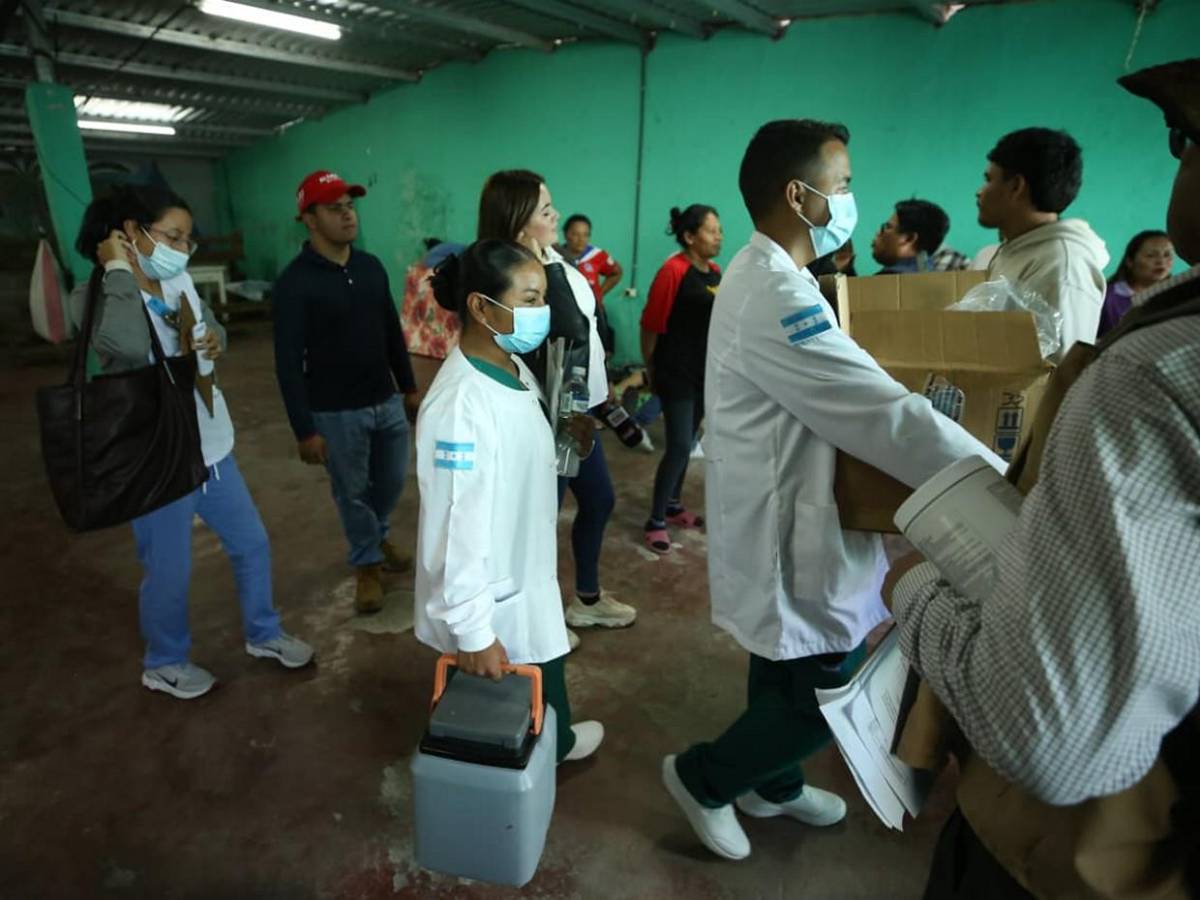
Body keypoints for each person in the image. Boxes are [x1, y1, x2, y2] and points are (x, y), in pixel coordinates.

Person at [884, 57, 1200, 899]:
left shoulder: (1150, 366)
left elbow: (1052, 732)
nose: (979, 191)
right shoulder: (1011, 255)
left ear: (1020, 185)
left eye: (1187, 141)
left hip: (1084, 850)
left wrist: (916, 595)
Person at [660, 119, 1003, 862]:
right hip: (791, 525)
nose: (850, 199)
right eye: (842, 186)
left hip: (795, 508)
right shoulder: (777, 293)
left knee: (784, 661)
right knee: (824, 690)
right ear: (800, 195)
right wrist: (998, 479)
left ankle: (771, 784)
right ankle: (704, 778)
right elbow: (880, 412)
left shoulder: (774, 280)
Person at [69, 185, 313, 700]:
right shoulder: (95, 294)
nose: (182, 248)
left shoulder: (176, 277)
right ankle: (164, 661)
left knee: (251, 543)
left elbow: (213, 327)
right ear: (130, 233)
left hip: (211, 442)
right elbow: (129, 348)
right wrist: (116, 268)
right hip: (156, 456)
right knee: (170, 568)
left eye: (187, 239)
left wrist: (213, 339)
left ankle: (264, 633)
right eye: (172, 236)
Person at [414, 239, 604, 763]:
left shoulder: (512, 366)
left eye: (542, 298)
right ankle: (539, 758)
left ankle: (556, 741)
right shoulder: (459, 405)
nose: (542, 313)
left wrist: (564, 436)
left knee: (545, 666)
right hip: (491, 593)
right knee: (512, 694)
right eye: (528, 299)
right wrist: (473, 632)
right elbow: (455, 525)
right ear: (480, 305)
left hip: (522, 570)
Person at [477, 170, 637, 633]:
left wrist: (601, 400)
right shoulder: (512, 279)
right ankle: (533, 617)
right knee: (538, 521)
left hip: (577, 411)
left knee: (599, 499)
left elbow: (581, 332)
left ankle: (585, 599)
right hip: (550, 418)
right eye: (547, 211)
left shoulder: (556, 261)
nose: (558, 216)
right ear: (519, 222)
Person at [273, 171, 419, 615]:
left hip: (385, 399)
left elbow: (392, 332)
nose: (347, 215)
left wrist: (409, 387)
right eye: (334, 208)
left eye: (350, 206)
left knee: (392, 480)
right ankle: (367, 564)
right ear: (309, 219)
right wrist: (304, 429)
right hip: (335, 411)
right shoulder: (294, 283)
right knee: (351, 490)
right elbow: (287, 361)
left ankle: (376, 535)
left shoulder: (370, 266)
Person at [977, 128, 1109, 359]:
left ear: (1016, 186)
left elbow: (1059, 373)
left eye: (989, 180)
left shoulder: (1064, 267)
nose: (979, 192)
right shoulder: (1019, 248)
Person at [639, 205, 722, 554]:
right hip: (676, 372)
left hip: (705, 371)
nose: (719, 236)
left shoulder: (715, 272)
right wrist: (651, 367)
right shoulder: (673, 271)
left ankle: (673, 504)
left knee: (688, 441)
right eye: (711, 230)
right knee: (676, 446)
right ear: (689, 237)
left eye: (720, 230)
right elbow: (651, 324)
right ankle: (655, 520)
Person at [1096, 229, 1175, 337]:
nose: (1161, 261)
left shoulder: (1175, 295)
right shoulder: (1108, 297)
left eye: (1167, 255)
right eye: (1151, 255)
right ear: (1130, 261)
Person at [870, 199, 950, 274]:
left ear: (909, 238)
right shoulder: (933, 276)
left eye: (887, 227)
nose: (878, 233)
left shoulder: (888, 279)